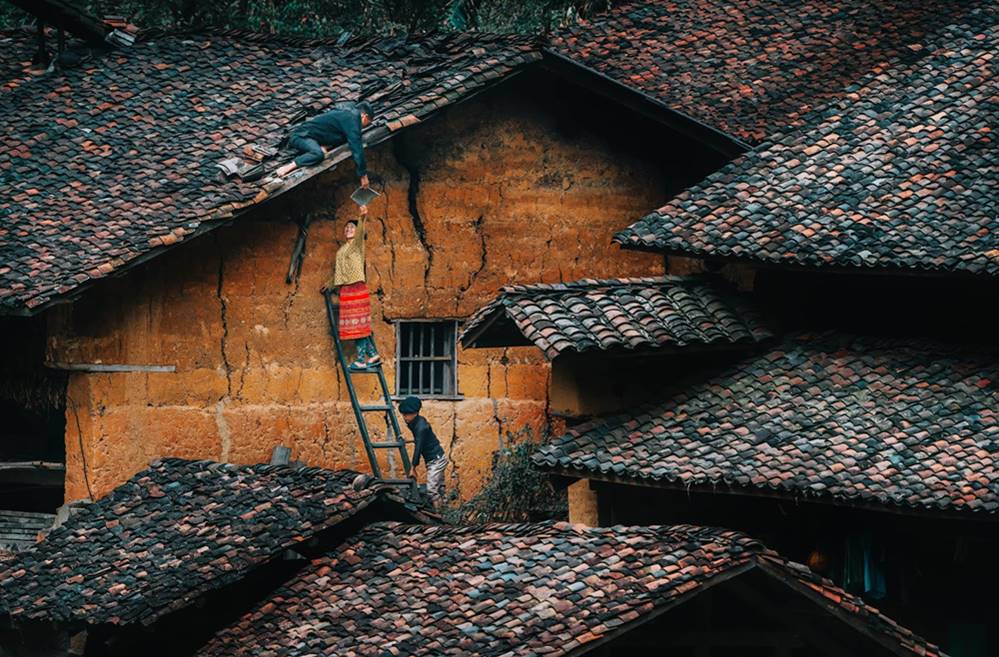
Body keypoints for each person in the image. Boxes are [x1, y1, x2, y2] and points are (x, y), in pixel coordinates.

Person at [322, 205, 380, 369]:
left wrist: (362, 217)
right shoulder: (341, 250)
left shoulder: (357, 245)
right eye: (346, 227)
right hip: (346, 291)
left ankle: (361, 360)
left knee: (358, 327)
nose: (348, 229)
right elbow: (340, 274)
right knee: (357, 326)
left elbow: (361, 231)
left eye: (351, 227)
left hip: (356, 288)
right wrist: (329, 285)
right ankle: (373, 354)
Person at [276, 101, 373, 185]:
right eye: (367, 123)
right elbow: (357, 147)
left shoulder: (347, 112)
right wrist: (363, 175)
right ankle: (288, 167)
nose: (363, 128)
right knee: (318, 154)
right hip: (301, 136)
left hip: (313, 138)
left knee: (343, 138)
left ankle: (322, 146)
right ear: (364, 116)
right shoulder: (352, 118)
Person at [398, 396, 448, 506]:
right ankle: (446, 512)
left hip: (437, 460)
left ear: (415, 413)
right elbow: (421, 440)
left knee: (431, 491)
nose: (404, 417)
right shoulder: (416, 422)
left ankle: (440, 517)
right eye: (403, 414)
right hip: (435, 458)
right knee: (439, 488)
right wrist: (409, 440)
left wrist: (413, 468)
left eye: (407, 414)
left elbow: (419, 447)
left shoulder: (421, 426)